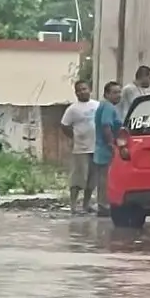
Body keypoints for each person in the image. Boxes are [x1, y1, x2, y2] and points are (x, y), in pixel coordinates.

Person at [60, 79, 99, 214]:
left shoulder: (97, 106)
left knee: (92, 178)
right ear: (76, 93)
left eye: (85, 89)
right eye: (79, 90)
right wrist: (75, 136)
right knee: (78, 178)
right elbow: (64, 125)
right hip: (81, 149)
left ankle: (86, 205)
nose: (82, 92)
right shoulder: (72, 109)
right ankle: (73, 206)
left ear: (90, 90)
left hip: (96, 148)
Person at [93, 81, 123, 217]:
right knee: (106, 178)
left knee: (103, 178)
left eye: (119, 92)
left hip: (101, 148)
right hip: (106, 148)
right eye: (115, 92)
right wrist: (111, 144)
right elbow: (106, 126)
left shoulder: (104, 106)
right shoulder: (108, 107)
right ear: (106, 94)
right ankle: (104, 205)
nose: (118, 95)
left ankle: (102, 204)